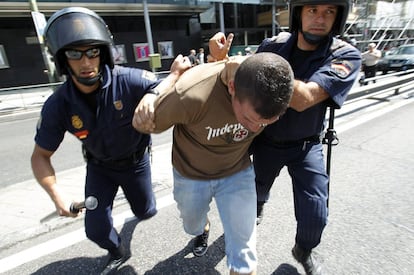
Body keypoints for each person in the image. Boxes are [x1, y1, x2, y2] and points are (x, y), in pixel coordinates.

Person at [30, 7, 190, 275]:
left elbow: (161, 85)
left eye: (92, 51)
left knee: (146, 211)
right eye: (74, 53)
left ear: (102, 52)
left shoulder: (127, 80)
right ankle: (117, 251)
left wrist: (162, 86)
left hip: (135, 162)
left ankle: (135, 205)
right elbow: (40, 156)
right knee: (95, 229)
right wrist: (57, 197)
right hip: (99, 168)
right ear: (62, 59)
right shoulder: (57, 105)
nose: (86, 62)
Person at [209, 0, 361, 274]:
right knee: (254, 196)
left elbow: (304, 99)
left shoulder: (345, 55)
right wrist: (222, 62)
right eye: (312, 10)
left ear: (338, 17)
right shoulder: (272, 46)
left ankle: (303, 248)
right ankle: (258, 206)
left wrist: (249, 69)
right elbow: (239, 88)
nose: (320, 18)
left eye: (329, 11)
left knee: (316, 213)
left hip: (306, 144)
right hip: (267, 140)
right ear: (298, 14)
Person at [133, 52, 294, 275]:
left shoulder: (273, 93)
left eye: (265, 122)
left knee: (244, 255)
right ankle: (203, 227)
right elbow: (143, 123)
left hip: (237, 171)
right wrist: (167, 82)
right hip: (191, 174)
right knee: (192, 226)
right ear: (231, 88)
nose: (254, 129)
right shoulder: (191, 93)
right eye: (248, 119)